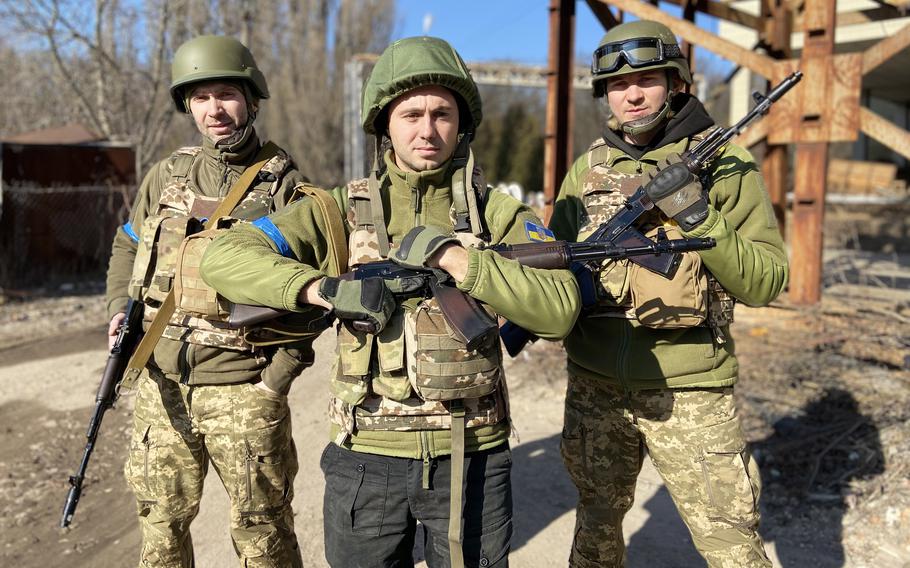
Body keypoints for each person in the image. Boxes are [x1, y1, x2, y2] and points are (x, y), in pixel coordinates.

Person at [200, 36, 581, 567]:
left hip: (471, 455)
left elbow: (561, 308)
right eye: (411, 114)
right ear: (384, 123)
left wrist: (458, 260)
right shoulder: (336, 209)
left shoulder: (498, 213)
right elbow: (223, 258)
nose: (427, 130)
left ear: (461, 123)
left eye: (442, 114)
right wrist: (324, 289)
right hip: (365, 460)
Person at [548, 20, 788, 568]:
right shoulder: (587, 171)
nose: (631, 95)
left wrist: (697, 213)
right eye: (617, 85)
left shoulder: (724, 163)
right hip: (595, 386)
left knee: (731, 544)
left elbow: (767, 280)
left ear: (677, 82)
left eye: (648, 79)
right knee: (596, 525)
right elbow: (554, 270)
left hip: (691, 392)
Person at [105, 35, 312, 567]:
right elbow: (128, 242)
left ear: (252, 99)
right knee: (160, 536)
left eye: (225, 94)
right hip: (162, 388)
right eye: (200, 98)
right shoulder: (167, 174)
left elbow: (316, 293)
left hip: (243, 388)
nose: (213, 110)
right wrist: (116, 310)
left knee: (263, 536)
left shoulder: (286, 187)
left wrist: (274, 381)